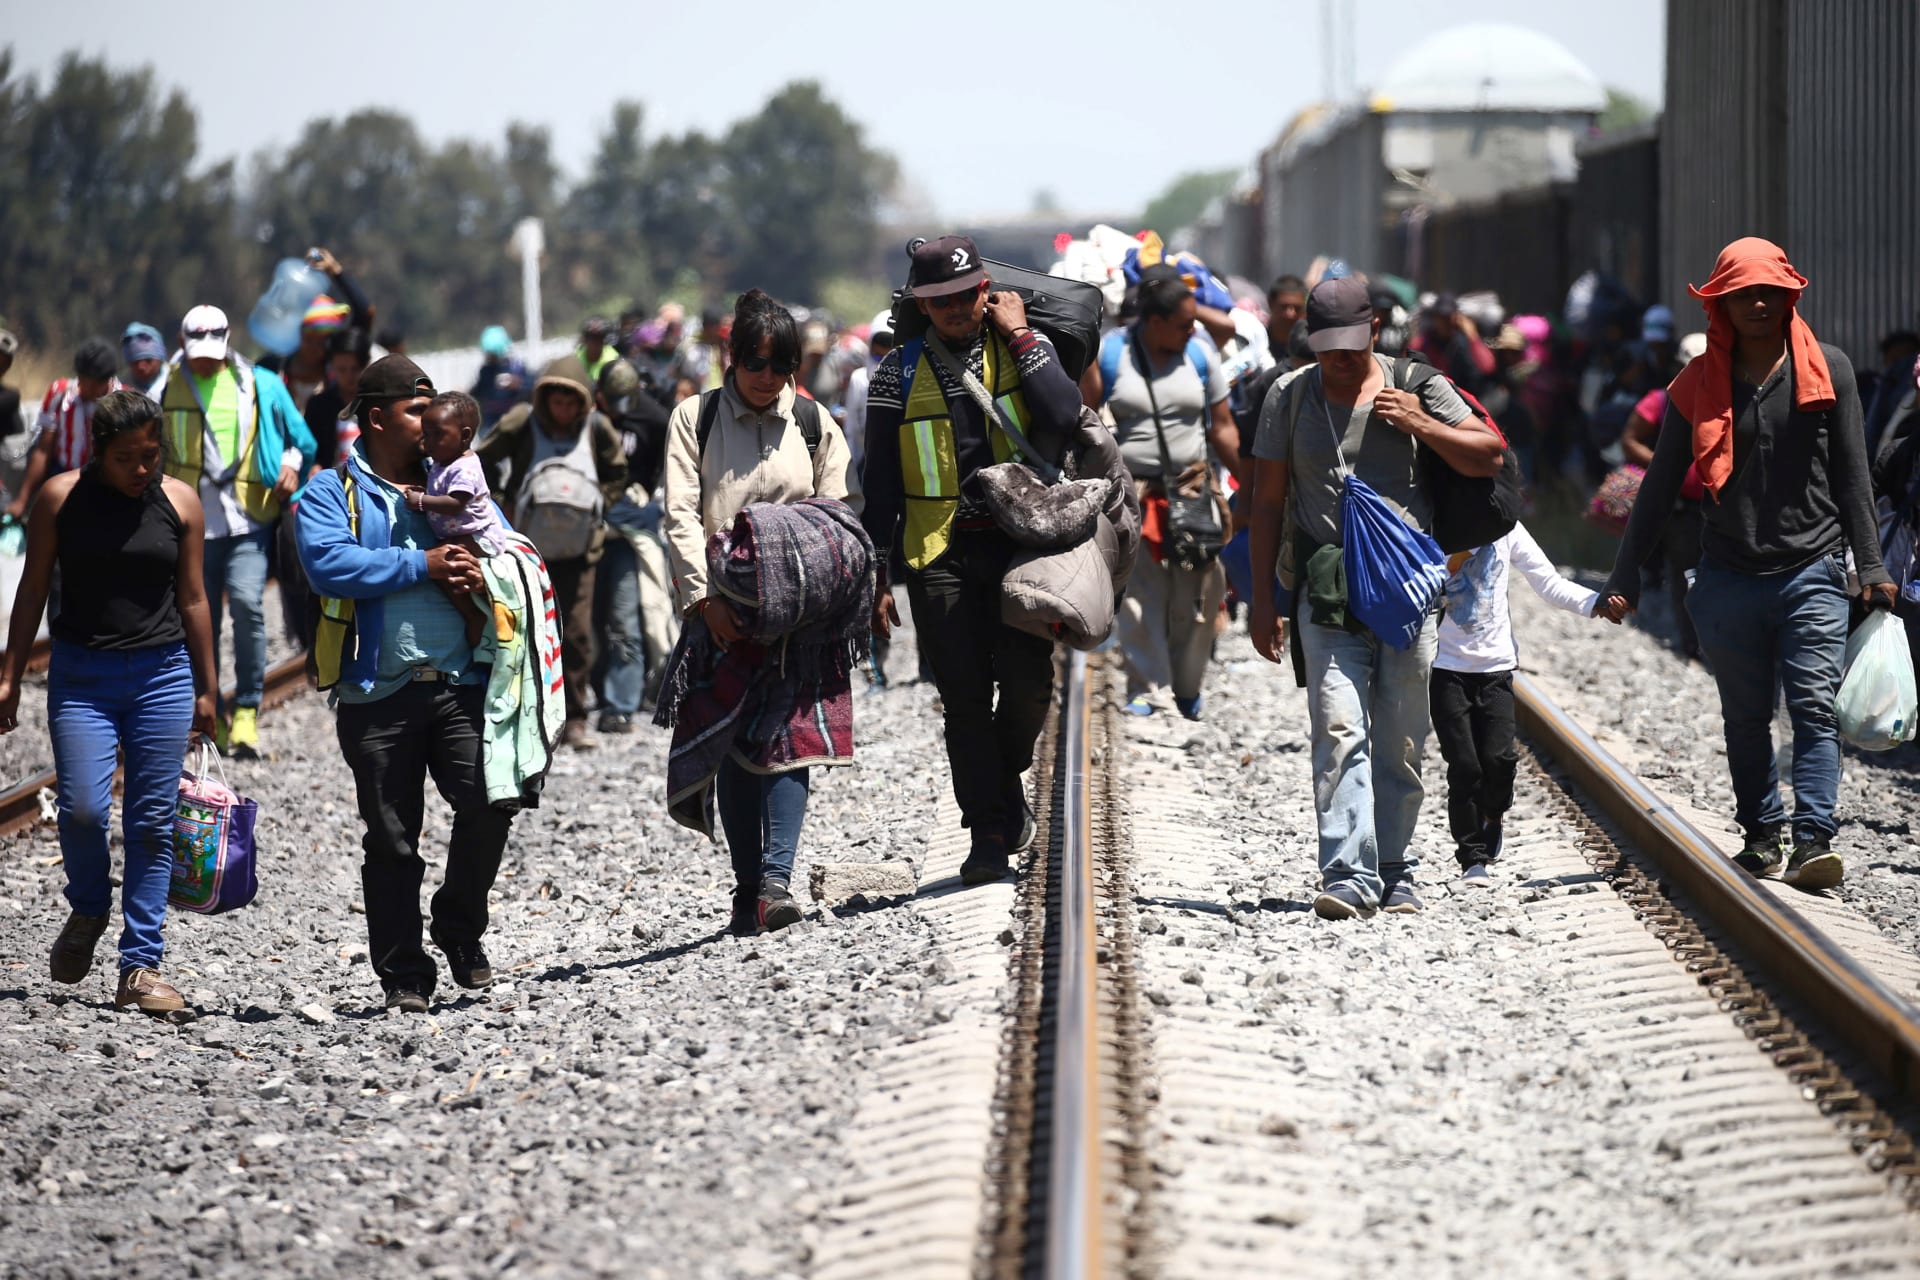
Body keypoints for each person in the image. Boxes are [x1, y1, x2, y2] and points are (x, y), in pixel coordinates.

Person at [1600, 237, 1893, 891]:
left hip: (1812, 570)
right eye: (1744, 294)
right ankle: (1761, 835)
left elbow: (1853, 477)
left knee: (1815, 709)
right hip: (1728, 577)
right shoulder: (1695, 384)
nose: (1758, 303)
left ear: (1789, 296)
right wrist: (1623, 574)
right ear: (1721, 305)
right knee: (1746, 715)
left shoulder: (1831, 371)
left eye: (1770, 292)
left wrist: (1870, 566)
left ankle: (1813, 839)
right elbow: (1657, 487)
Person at [1245, 276, 1504, 919]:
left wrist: (1420, 423)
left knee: (1400, 737)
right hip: (1325, 589)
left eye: (1351, 344)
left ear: (1375, 331)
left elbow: (1488, 454)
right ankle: (1348, 874)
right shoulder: (1289, 396)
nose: (1338, 358)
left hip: (1406, 595)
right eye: (1326, 344)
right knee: (1336, 727)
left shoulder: (1417, 383)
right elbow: (1268, 502)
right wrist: (1262, 599)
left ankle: (1396, 866)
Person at [860, 234, 1086, 885]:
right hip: (939, 555)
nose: (959, 308)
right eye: (943, 300)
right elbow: (879, 483)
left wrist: (1020, 337)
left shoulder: (1021, 348)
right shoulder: (895, 372)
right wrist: (878, 574)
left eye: (968, 295)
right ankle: (987, 833)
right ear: (922, 306)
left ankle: (1000, 780)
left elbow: (1064, 412)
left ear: (987, 291)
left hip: (1022, 549)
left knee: (1027, 684)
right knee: (962, 700)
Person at [296, 355, 506, 1013]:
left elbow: (501, 545)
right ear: (377, 417)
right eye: (417, 410)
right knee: (391, 840)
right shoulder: (332, 491)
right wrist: (422, 563)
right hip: (375, 694)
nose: (431, 419)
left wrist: (482, 577)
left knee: (490, 801)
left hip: (459, 684)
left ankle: (458, 924)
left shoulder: (453, 483)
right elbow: (330, 563)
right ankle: (404, 975)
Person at [0, 390, 218, 1014]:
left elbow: (196, 598)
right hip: (82, 678)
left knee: (151, 823)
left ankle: (140, 968)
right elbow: (34, 586)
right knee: (85, 811)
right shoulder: (60, 498)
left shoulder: (180, 502)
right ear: (99, 451)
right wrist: (11, 673)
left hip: (163, 677)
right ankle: (90, 905)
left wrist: (208, 687)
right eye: (128, 458)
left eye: (151, 456)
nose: (143, 469)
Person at [661, 289, 864, 933]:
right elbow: (681, 517)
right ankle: (747, 887)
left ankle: (775, 882)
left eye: (782, 369)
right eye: (758, 365)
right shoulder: (693, 420)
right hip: (722, 619)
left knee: (790, 747)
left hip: (801, 623)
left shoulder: (812, 422)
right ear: (731, 359)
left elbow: (837, 517)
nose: (769, 380)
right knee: (731, 748)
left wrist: (826, 592)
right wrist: (704, 599)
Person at [158, 304, 317, 759]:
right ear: (182, 342)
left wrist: (290, 466)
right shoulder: (163, 387)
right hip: (189, 524)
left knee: (247, 604)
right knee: (194, 620)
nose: (205, 359)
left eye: (213, 350)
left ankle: (247, 707)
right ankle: (206, 710)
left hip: (248, 518)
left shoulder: (260, 385)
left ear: (228, 343)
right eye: (196, 350)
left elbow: (301, 440)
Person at [1087, 263, 1240, 719]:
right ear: (1153, 323)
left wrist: (1252, 484)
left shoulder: (1199, 355)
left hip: (1192, 487)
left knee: (1197, 589)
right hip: (1133, 490)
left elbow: (1224, 427)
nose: (1193, 330)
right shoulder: (1113, 353)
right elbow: (1085, 413)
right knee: (1138, 592)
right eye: (1184, 323)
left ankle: (1188, 684)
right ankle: (1146, 686)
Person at [1432, 525, 1601, 885]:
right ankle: (1471, 858)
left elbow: (1549, 583)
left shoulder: (1505, 530)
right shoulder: (1434, 521)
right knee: (1464, 767)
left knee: (1500, 759)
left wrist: (1596, 603)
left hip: (1496, 669)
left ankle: (1494, 815)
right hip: (1445, 669)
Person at [478, 354, 628, 748]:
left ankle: (575, 717)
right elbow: (482, 458)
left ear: (583, 403)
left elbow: (617, 473)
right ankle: (532, 714)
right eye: (556, 402)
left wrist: (598, 507)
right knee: (527, 632)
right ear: (544, 400)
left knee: (577, 634)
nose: (563, 410)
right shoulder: (521, 422)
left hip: (581, 552)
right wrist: (499, 503)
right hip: (528, 552)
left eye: (570, 403)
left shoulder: (597, 429)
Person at [592, 358, 672, 730]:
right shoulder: (586, 419)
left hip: (631, 530)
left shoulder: (654, 420)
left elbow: (666, 471)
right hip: (587, 530)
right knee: (588, 622)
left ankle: (622, 702)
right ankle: (596, 691)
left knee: (629, 616)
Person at [403, 391, 503, 646]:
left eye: (438, 435)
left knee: (445, 561)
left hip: (477, 537)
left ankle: (474, 617)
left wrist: (422, 502)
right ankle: (474, 613)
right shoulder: (443, 461)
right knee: (447, 570)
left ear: (465, 436)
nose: (429, 442)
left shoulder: (464, 467)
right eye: (427, 434)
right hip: (461, 534)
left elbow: (455, 503)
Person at [8, 337, 121, 520]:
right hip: (63, 480)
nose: (84, 388)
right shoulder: (59, 394)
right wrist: (22, 499)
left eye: (92, 384)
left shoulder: (122, 403)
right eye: (82, 380)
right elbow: (44, 449)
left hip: (105, 487)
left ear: (106, 381)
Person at [257, 247, 372, 414]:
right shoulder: (272, 368)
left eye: (323, 340)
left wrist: (336, 271)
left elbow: (365, 313)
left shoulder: (336, 372)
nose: (316, 347)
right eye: (310, 338)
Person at [1410, 293, 1496, 396]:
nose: (1445, 322)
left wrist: (1472, 335)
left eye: (1448, 317)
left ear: (1456, 317)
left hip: (1463, 398)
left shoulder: (1464, 341)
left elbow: (1487, 366)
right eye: (1441, 317)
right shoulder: (1426, 342)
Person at [842, 310, 893, 476]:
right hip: (866, 462)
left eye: (889, 356)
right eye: (878, 357)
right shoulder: (859, 380)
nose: (882, 364)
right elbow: (851, 429)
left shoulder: (908, 381)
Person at [471, 326, 530, 429]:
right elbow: (479, 391)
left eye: (492, 354)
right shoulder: (485, 371)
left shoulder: (517, 367)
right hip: (490, 421)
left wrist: (518, 384)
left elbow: (531, 387)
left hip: (513, 418)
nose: (490, 357)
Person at [121, 323, 169, 399]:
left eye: (148, 360)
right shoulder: (120, 391)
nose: (141, 367)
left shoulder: (176, 383)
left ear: (160, 358)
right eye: (135, 362)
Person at [577, 317, 618, 386]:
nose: (596, 342)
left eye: (600, 337)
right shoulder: (576, 359)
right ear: (585, 340)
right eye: (592, 337)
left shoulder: (613, 359)